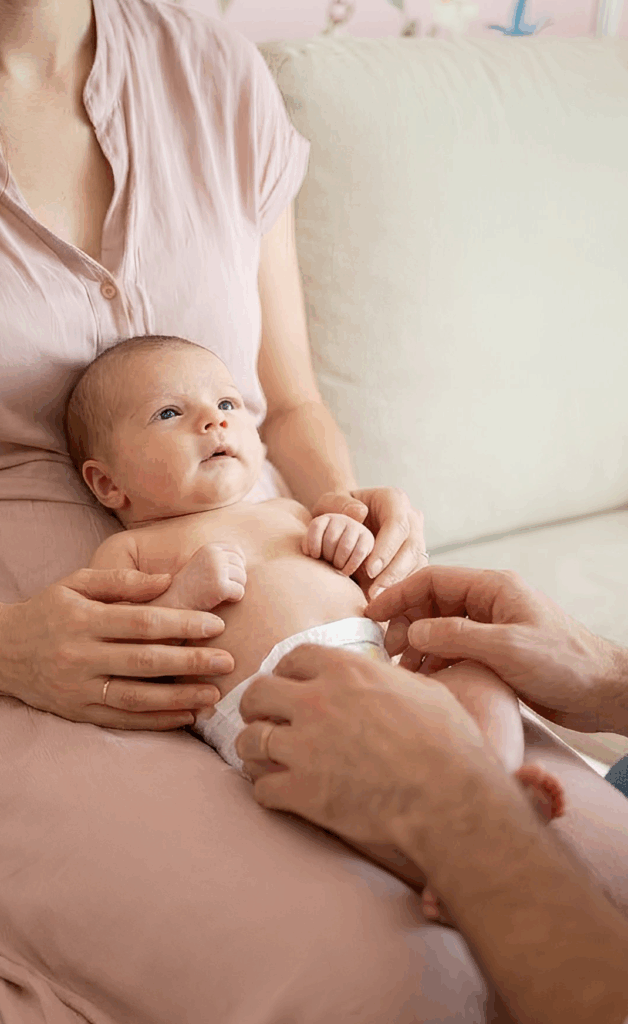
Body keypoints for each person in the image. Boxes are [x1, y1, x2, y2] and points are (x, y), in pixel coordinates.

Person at [0, 0, 504, 1020]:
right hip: (44, 683)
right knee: (411, 976)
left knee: (594, 876)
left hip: (329, 617)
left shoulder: (212, 73)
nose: (214, 421)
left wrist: (348, 511)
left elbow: (295, 402)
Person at [65, 332, 566, 922]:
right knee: (332, 793)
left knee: (477, 670)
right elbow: (133, 663)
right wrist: (184, 596)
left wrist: (346, 540)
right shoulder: (130, 551)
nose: (213, 422)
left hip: (388, 666)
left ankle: (496, 789)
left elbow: (364, 578)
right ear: (107, 483)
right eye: (170, 413)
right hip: (283, 702)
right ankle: (443, 863)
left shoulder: (287, 511)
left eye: (227, 405)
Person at [235, 564, 628, 1024]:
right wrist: (612, 683)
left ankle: (485, 791)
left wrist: (459, 808)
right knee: (473, 667)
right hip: (380, 682)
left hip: (374, 688)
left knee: (468, 688)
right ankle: (493, 785)